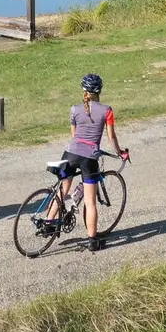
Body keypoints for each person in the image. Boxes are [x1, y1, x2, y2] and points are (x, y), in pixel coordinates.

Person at [62, 73, 127, 251]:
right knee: (90, 202)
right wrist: (120, 152)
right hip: (89, 158)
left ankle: (49, 222)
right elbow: (111, 137)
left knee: (61, 191)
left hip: (70, 154)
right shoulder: (107, 111)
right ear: (100, 91)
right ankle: (92, 241)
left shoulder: (74, 109)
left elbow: (75, 136)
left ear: (83, 91)